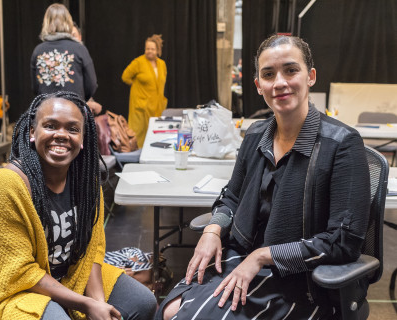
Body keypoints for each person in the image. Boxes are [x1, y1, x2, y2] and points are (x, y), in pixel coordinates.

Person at [157, 35, 370, 319]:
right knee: (168, 310)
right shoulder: (256, 134)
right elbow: (232, 196)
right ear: (259, 86)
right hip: (242, 255)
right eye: (268, 74)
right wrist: (213, 230)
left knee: (185, 316)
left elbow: (342, 242)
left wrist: (262, 256)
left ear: (311, 77)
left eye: (291, 70)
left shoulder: (342, 144)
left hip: (301, 277)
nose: (279, 82)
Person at [0, 91, 157, 320]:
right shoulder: (7, 184)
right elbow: (19, 272)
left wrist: (98, 302)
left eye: (73, 129)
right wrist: (86, 304)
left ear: (83, 138)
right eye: (51, 126)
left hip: (70, 276)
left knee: (143, 302)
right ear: (32, 133)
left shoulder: (86, 181)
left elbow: (92, 248)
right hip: (15, 290)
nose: (62, 135)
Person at [31, 3, 97, 102]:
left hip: (47, 109)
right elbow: (91, 85)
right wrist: (80, 100)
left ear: (46, 23)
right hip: (74, 109)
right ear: (68, 22)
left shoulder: (38, 51)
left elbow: (35, 88)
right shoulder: (79, 49)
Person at [122, 34, 167, 148]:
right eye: (147, 48)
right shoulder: (138, 62)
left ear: (157, 50)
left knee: (155, 132)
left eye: (152, 49)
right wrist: (136, 86)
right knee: (139, 132)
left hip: (156, 105)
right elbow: (125, 76)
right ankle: (137, 157)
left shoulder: (162, 64)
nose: (149, 51)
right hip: (141, 105)